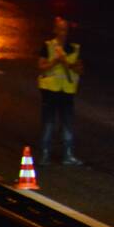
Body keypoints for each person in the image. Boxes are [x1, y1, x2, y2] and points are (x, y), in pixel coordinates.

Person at [37, 16, 84, 165]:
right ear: (55, 30)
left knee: (67, 124)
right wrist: (56, 61)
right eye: (61, 29)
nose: (63, 32)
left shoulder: (74, 48)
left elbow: (81, 69)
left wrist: (68, 64)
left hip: (67, 91)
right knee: (48, 124)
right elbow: (41, 66)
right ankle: (44, 155)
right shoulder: (48, 46)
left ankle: (68, 155)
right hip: (50, 90)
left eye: (66, 29)